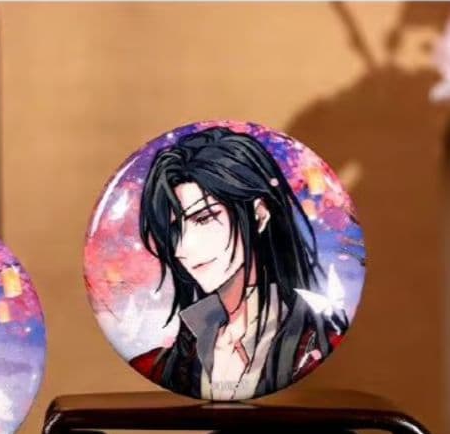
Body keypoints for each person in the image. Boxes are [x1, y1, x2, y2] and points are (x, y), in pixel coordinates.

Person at [131, 126, 347, 400]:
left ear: (259, 215)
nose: (183, 248)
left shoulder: (316, 347)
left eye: (204, 218)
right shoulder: (163, 365)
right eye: (174, 230)